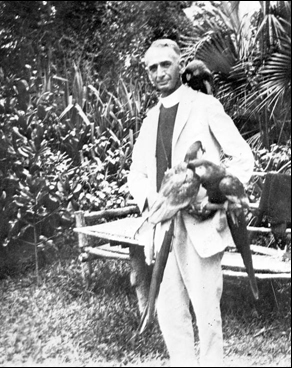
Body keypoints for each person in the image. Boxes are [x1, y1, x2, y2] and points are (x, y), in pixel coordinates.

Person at [127, 39, 254, 367]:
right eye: (152, 68)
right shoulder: (149, 120)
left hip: (200, 227)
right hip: (163, 228)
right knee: (170, 314)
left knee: (207, 316)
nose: (159, 73)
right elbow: (136, 174)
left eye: (165, 65)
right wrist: (156, 203)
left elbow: (242, 157)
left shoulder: (204, 106)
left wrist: (215, 198)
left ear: (179, 65)